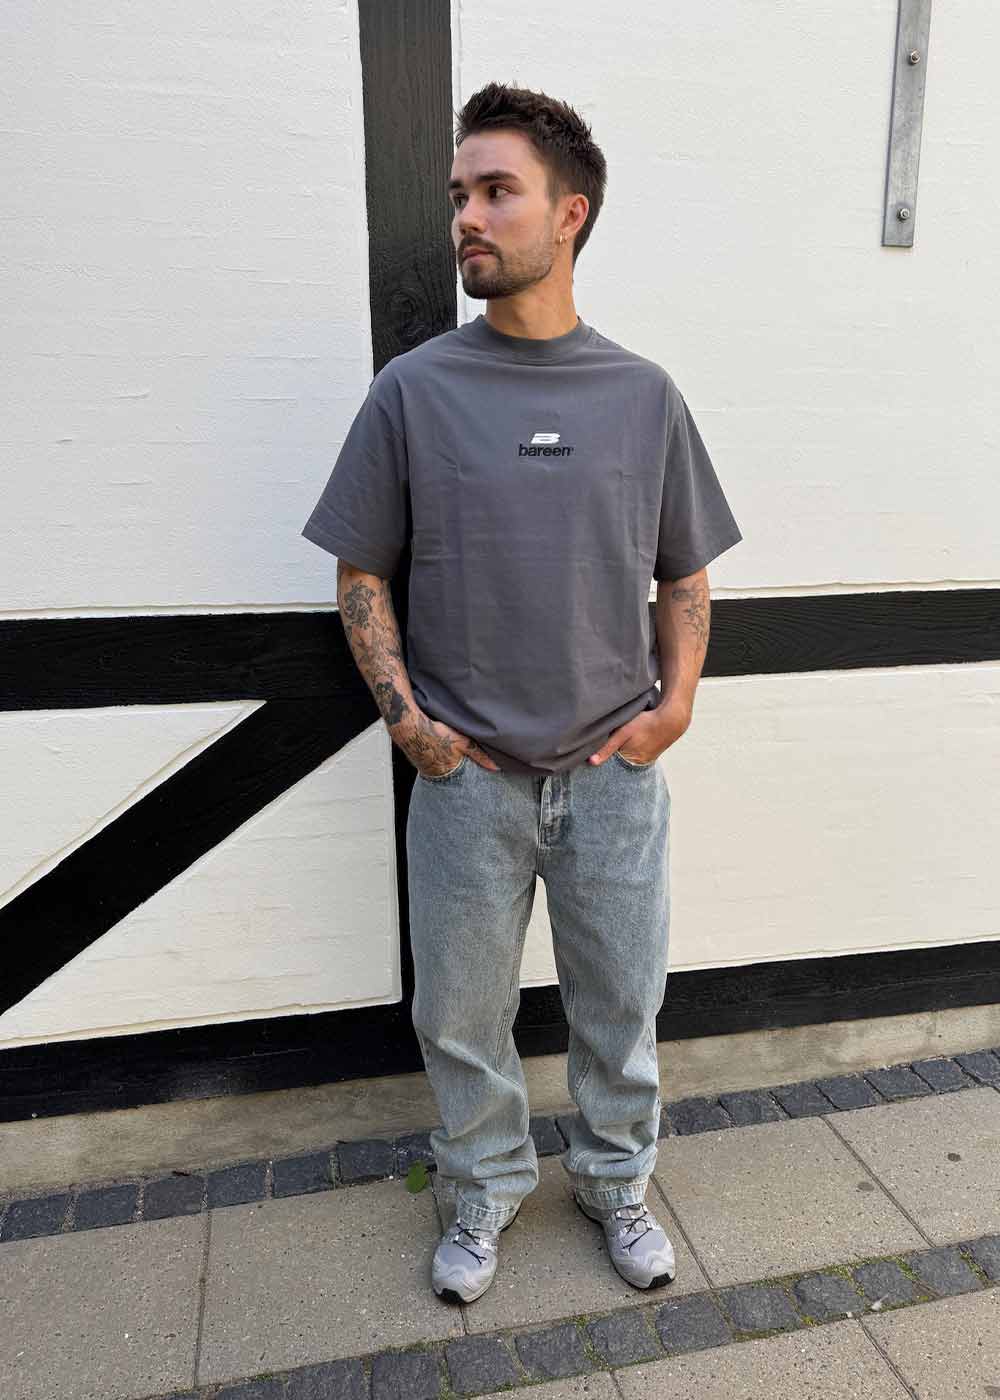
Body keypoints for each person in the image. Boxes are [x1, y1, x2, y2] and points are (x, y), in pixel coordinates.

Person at [301, 81, 743, 1305]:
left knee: (621, 1008)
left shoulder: (642, 395)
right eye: (460, 194)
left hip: (611, 777)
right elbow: (360, 570)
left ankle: (615, 1182)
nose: (467, 217)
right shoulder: (414, 391)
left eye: (497, 192)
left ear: (570, 213)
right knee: (457, 1016)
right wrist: (410, 725)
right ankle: (482, 1187)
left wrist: (674, 706)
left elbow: (684, 569)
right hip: (467, 783)